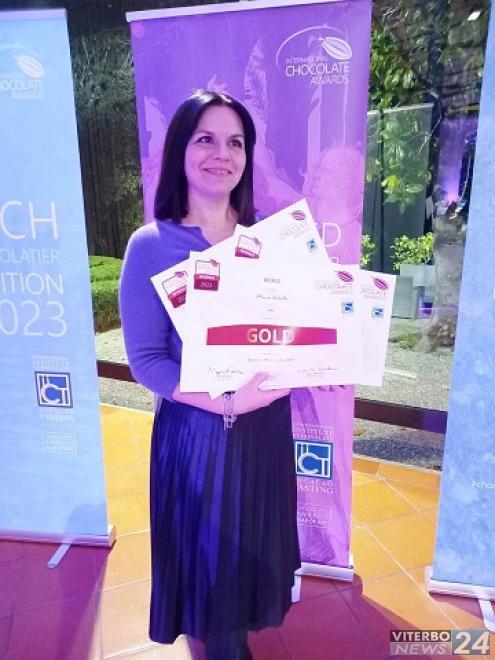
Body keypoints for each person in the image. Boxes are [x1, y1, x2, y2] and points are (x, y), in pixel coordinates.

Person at [119, 90, 300, 660]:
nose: (222, 154)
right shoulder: (150, 246)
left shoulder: (270, 240)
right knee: (213, 582)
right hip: (199, 437)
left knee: (251, 562)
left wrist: (314, 356)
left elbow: (296, 326)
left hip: (265, 432)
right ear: (180, 149)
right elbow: (147, 359)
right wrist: (227, 402)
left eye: (235, 143)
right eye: (206, 139)